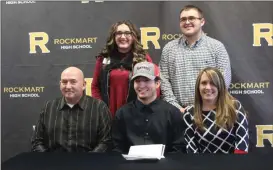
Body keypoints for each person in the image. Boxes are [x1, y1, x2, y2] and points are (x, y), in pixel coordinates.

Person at [159, 5, 231, 113]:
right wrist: (177, 108)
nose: (187, 22)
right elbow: (164, 81)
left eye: (191, 18)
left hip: (211, 112)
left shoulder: (216, 47)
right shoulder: (169, 49)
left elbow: (223, 81)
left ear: (202, 22)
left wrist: (207, 107)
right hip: (178, 114)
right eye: (183, 19)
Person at [31, 66, 112, 152]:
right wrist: (49, 160)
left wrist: (89, 161)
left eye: (73, 82)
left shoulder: (99, 107)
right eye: (64, 82)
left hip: (89, 163)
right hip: (54, 163)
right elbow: (37, 141)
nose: (68, 86)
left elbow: (106, 142)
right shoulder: (49, 107)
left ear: (84, 85)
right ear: (60, 84)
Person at [112, 62, 186, 154]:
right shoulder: (122, 113)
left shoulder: (172, 113)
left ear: (157, 83)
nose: (141, 85)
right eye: (137, 81)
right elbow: (117, 149)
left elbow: (179, 148)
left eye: (146, 80)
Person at [92, 20, 159, 116]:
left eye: (127, 33)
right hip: (108, 113)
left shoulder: (143, 58)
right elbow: (95, 86)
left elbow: (152, 86)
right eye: (119, 33)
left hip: (136, 114)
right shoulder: (103, 58)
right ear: (113, 37)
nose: (123, 37)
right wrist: (100, 108)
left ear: (133, 36)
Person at [183, 67, 249, 154]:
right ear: (198, 87)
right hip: (202, 166)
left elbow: (242, 146)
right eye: (204, 83)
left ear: (220, 86)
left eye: (213, 83)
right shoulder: (189, 114)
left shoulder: (235, 107)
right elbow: (191, 150)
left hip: (234, 165)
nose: (208, 87)